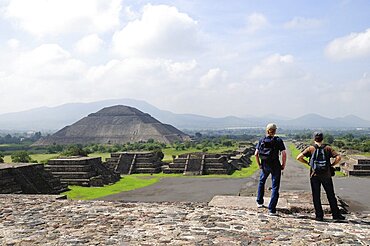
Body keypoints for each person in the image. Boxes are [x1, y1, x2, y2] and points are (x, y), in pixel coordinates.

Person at [296, 132, 345, 221]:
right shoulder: (327, 148)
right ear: (322, 139)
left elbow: (298, 157)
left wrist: (308, 163)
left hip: (314, 175)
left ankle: (319, 215)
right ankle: (336, 215)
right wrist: (332, 165)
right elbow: (338, 157)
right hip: (326, 175)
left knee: (316, 195)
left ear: (314, 139)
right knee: (330, 195)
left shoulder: (311, 148)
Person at [255, 123, 287, 216]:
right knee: (275, 186)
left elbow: (256, 154)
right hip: (275, 164)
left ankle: (259, 202)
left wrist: (259, 164)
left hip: (265, 164)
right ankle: (272, 209)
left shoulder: (262, 140)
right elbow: (284, 154)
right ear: (275, 131)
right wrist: (283, 165)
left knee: (262, 181)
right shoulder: (278, 140)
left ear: (267, 130)